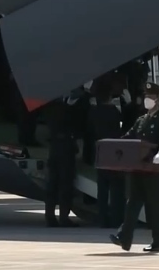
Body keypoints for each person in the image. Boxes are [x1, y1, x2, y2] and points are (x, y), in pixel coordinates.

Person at [109, 82, 159, 253]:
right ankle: (124, 238)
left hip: (153, 169)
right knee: (132, 203)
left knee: (156, 206)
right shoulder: (141, 120)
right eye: (146, 96)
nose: (147, 100)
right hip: (138, 167)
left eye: (150, 97)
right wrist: (115, 146)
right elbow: (128, 137)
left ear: (158, 100)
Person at [44, 86, 89, 227]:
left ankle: (50, 215)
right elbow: (76, 125)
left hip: (54, 146)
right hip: (66, 146)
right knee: (65, 182)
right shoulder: (71, 107)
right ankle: (63, 216)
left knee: (53, 182)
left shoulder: (52, 105)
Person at [87, 77, 126, 227]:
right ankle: (117, 218)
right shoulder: (114, 112)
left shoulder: (94, 112)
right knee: (116, 187)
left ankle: (102, 218)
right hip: (114, 151)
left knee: (102, 188)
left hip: (100, 150)